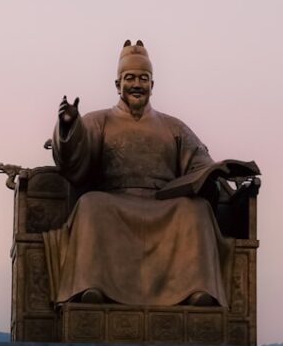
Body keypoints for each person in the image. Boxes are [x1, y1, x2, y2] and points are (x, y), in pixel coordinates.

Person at [43, 40, 255, 307]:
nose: (136, 84)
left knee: (197, 211)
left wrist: (219, 172)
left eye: (144, 79)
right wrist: (68, 127)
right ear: (118, 84)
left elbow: (200, 164)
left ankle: (197, 290)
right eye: (129, 78)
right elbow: (74, 158)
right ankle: (92, 287)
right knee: (90, 205)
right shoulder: (98, 121)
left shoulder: (174, 126)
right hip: (115, 201)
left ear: (152, 86)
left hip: (164, 203)